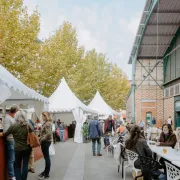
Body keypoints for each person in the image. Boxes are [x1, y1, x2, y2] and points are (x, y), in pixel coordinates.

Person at [4, 110, 32, 180]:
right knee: (25, 165)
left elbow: (5, 134)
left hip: (17, 149)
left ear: (16, 117)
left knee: (17, 166)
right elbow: (32, 133)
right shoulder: (28, 125)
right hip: (27, 148)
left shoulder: (13, 126)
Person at [3, 105, 19, 180]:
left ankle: (13, 175)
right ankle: (11, 176)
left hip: (14, 141)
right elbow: (5, 132)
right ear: (15, 112)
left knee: (13, 159)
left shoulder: (13, 118)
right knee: (11, 160)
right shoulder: (7, 118)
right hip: (10, 141)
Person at [38, 112, 53, 179]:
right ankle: (46, 172)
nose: (42, 117)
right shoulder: (46, 123)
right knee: (46, 157)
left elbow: (48, 134)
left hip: (45, 142)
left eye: (42, 116)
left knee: (47, 157)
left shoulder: (47, 124)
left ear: (45, 116)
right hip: (46, 141)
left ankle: (46, 173)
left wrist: (41, 140)